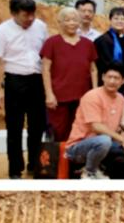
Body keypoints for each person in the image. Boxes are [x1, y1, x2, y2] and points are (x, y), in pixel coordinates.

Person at [0, 0, 48, 179]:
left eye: (32, 14)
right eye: (25, 15)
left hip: (37, 81)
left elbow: (46, 56)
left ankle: (35, 165)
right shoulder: (1, 31)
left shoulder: (41, 26)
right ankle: (15, 168)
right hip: (15, 80)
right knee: (14, 127)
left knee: (37, 127)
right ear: (14, 13)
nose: (30, 19)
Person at [65, 63, 124, 179]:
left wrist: (123, 134)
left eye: (116, 78)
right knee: (104, 141)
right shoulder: (92, 96)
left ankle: (101, 168)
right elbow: (96, 127)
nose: (112, 81)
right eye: (109, 77)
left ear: (123, 81)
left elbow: (116, 126)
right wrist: (121, 139)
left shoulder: (121, 98)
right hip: (78, 147)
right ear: (103, 77)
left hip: (104, 145)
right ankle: (89, 172)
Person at [40, 7, 98, 142]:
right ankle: (59, 162)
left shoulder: (88, 44)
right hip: (59, 97)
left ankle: (75, 162)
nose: (71, 23)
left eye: (74, 20)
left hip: (82, 97)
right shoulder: (52, 42)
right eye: (67, 20)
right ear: (60, 22)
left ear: (79, 23)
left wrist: (94, 91)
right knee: (58, 131)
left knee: (80, 131)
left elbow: (93, 69)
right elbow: (45, 69)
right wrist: (49, 93)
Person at [94, 7, 124, 95]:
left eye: (123, 19)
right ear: (110, 20)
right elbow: (105, 65)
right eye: (116, 18)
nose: (119, 21)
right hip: (112, 85)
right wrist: (122, 85)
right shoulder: (103, 40)